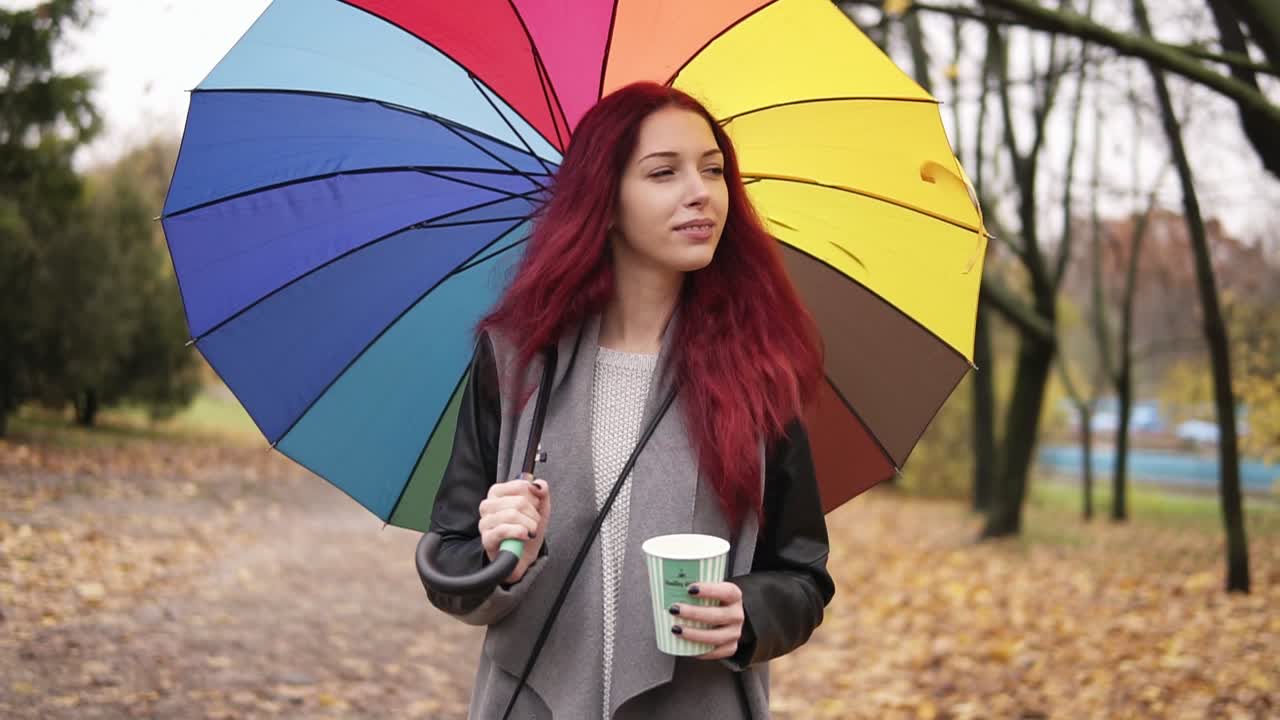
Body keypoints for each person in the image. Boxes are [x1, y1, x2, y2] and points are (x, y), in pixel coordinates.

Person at [421, 81, 834, 720]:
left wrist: (751, 613)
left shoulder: (756, 373)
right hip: (531, 701)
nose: (701, 192)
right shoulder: (516, 358)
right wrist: (501, 558)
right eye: (664, 173)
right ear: (604, 202)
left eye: (713, 170)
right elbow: (450, 558)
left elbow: (803, 574)